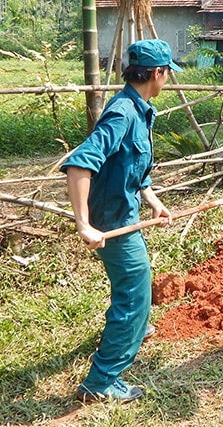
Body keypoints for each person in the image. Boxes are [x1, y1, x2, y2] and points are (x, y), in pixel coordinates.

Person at [62, 39, 182, 403]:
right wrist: (84, 224)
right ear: (156, 73)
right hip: (111, 220)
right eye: (167, 74)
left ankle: (133, 327)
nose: (168, 81)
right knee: (134, 290)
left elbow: (133, 168)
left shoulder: (140, 108)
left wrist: (153, 201)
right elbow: (80, 163)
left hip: (125, 210)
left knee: (133, 282)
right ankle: (101, 381)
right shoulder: (123, 113)